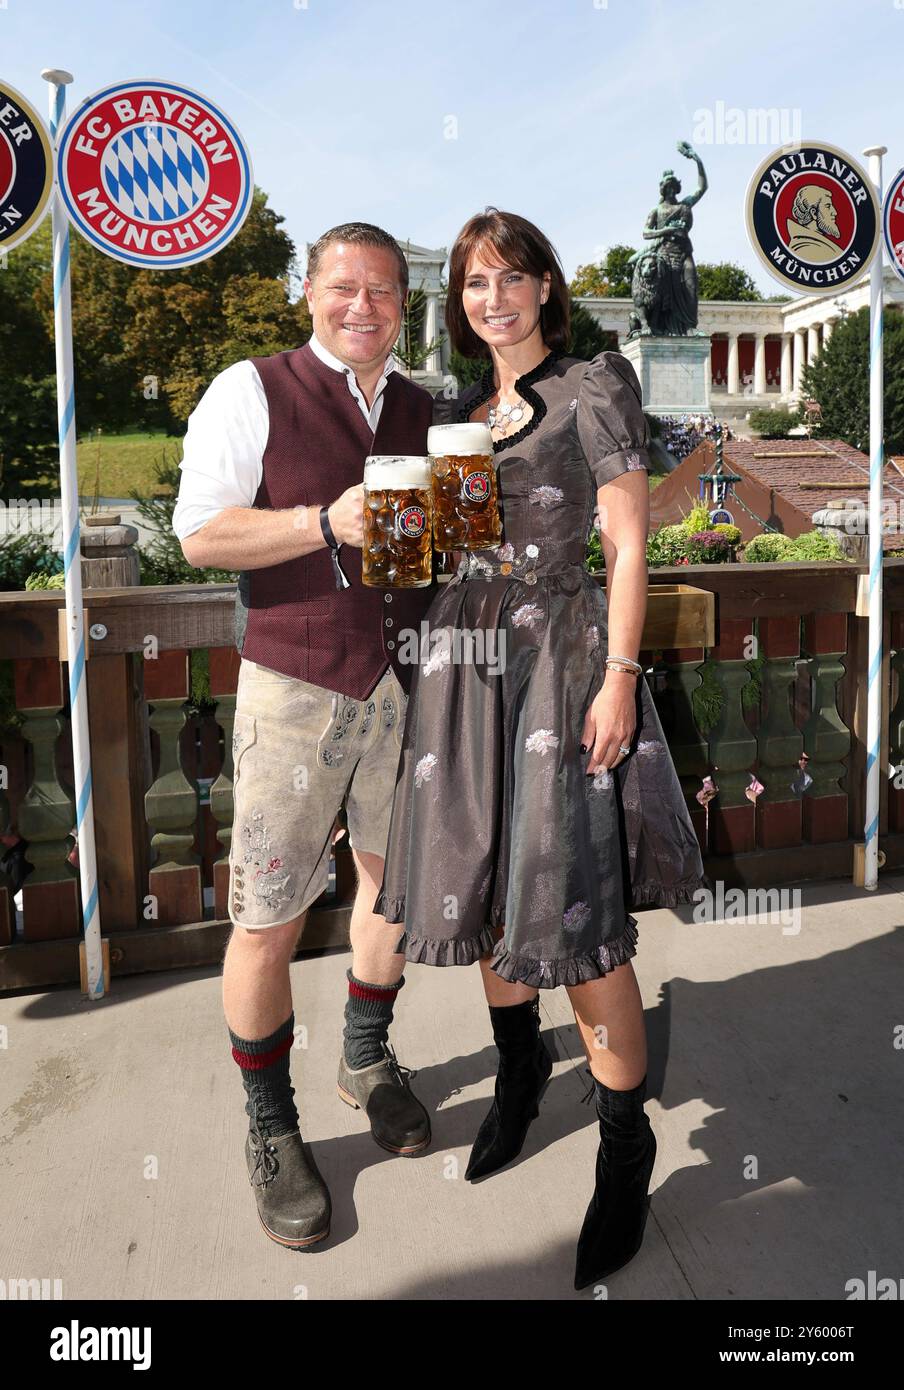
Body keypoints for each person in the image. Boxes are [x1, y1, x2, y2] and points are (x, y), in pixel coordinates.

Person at [374, 209, 708, 1290]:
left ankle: (624, 1143)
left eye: (511, 277)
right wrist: (391, 530)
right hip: (465, 673)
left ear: (546, 287)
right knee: (481, 885)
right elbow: (441, 559)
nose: (493, 297)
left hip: (559, 672)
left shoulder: (592, 385)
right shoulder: (467, 415)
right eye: (475, 282)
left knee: (573, 905)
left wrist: (618, 674)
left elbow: (625, 544)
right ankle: (518, 1080)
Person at [173, 223, 436, 1251]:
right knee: (270, 915)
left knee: (392, 888)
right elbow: (201, 532)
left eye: (380, 290)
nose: (361, 305)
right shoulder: (251, 388)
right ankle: (270, 1124)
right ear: (308, 294)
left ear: (400, 306)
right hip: (291, 687)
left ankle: (366, 1058)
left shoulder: (420, 405)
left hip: (403, 683)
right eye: (342, 287)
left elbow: (428, 550)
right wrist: (325, 521)